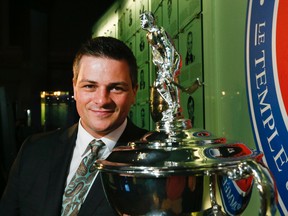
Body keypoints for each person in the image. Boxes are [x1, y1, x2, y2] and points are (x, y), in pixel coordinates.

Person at [0, 36, 148, 216]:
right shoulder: (33, 151)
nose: (102, 100)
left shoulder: (156, 161)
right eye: (89, 86)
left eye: (116, 88)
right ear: (75, 88)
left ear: (134, 92)